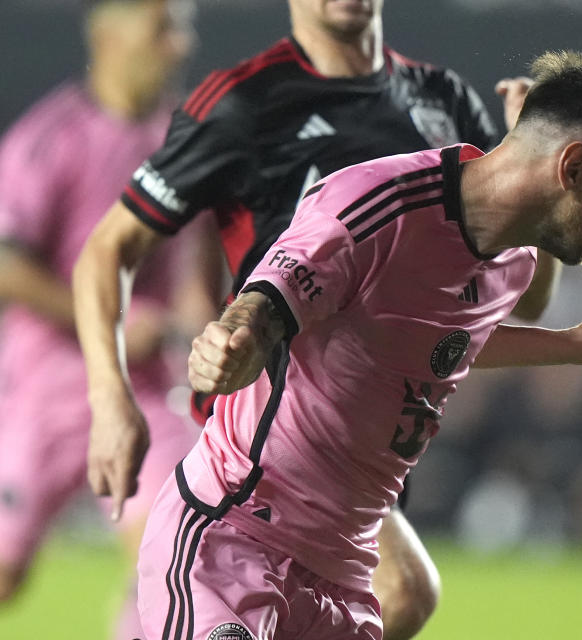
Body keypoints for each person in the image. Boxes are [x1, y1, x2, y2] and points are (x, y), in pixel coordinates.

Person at [136, 50, 582, 640]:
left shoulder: (513, 263)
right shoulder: (377, 202)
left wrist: (575, 344)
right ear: (571, 167)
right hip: (236, 542)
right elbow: (265, 304)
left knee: (412, 594)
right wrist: (232, 344)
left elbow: (441, 342)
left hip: (343, 584)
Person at [72, 1, 557, 637]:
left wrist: (541, 176)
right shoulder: (245, 102)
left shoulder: (442, 102)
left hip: (376, 439)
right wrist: (110, 400)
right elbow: (108, 249)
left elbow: (523, 299)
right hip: (276, 431)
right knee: (404, 589)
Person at [0, 1, 210, 638]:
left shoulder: (188, 140)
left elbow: (196, 270)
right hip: (47, 387)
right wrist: (114, 324)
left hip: (148, 386)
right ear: (110, 36)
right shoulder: (49, 139)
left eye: (183, 28)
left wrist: (199, 323)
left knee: (174, 553)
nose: (180, 45)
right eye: (163, 28)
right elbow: (8, 267)